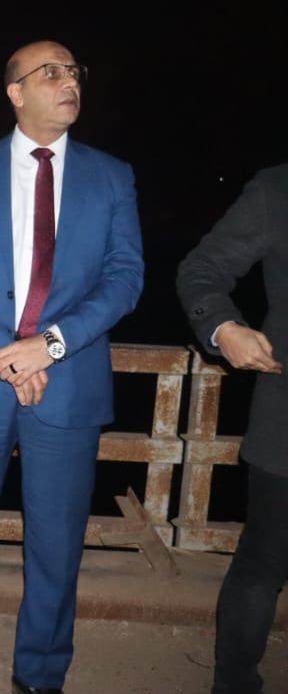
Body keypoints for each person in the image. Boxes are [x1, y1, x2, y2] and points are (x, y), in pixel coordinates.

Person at [0, 41, 144, 694]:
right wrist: (3, 350)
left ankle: (41, 672)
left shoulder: (112, 177)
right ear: (15, 92)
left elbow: (125, 278)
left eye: (74, 71)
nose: (68, 81)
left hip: (68, 382)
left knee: (57, 542)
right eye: (51, 72)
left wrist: (50, 345)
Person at [176, 165, 288, 694]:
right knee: (263, 565)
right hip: (287, 423)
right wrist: (224, 327)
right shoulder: (277, 189)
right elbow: (202, 268)